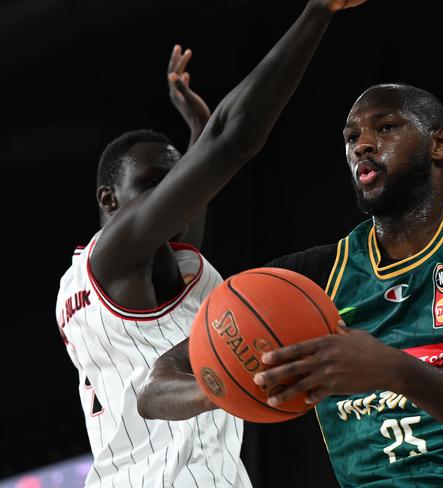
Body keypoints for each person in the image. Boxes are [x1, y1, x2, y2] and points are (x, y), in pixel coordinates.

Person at [138, 89, 443, 487]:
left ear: (441, 144)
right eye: (351, 136)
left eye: (386, 127)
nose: (362, 144)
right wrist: (225, 386)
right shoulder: (311, 278)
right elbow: (153, 390)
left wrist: (394, 370)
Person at [55, 1, 367, 486]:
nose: (177, 188)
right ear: (108, 199)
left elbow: (206, 168)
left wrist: (197, 130)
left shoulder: (118, 273)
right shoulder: (117, 254)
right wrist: (316, 13)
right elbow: (233, 140)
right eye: (158, 181)